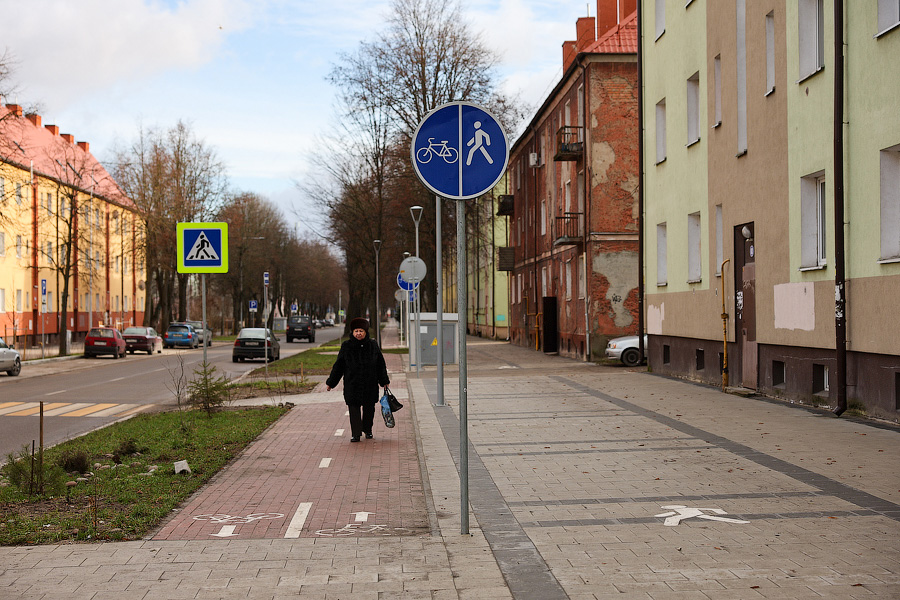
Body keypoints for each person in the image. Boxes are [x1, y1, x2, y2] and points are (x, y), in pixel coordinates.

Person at [326, 317, 390, 442]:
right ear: (352, 332)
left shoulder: (372, 345)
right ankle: (356, 434)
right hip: (352, 384)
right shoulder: (346, 346)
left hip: (370, 384)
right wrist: (331, 383)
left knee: (369, 409)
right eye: (356, 331)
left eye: (361, 331)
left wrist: (384, 381)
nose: (358, 333)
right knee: (353, 409)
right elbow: (338, 366)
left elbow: (380, 365)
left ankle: (368, 430)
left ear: (365, 332)